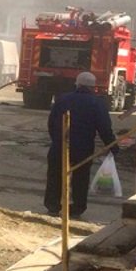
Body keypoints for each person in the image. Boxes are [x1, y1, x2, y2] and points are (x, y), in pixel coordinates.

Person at [44, 72, 118, 218]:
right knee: (81, 178)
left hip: (60, 145)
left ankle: (52, 206)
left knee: (55, 176)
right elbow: (104, 128)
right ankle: (77, 208)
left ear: (77, 84)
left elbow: (51, 123)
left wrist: (57, 140)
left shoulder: (62, 99)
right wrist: (112, 146)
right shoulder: (97, 103)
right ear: (93, 87)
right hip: (83, 148)